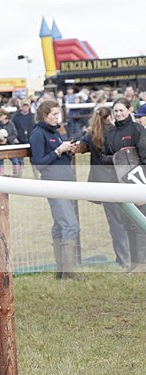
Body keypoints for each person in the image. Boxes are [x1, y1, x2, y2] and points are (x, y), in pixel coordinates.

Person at [29, 99, 81, 280]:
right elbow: (39, 163)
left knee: (61, 225)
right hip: (53, 184)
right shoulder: (38, 134)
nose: (57, 117)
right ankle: (68, 271)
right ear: (44, 115)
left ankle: (62, 271)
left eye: (58, 114)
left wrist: (67, 151)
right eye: (54, 114)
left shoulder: (55, 132)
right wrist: (59, 151)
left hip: (63, 183)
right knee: (70, 224)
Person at [75, 107, 130, 267]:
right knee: (127, 220)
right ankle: (129, 257)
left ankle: (123, 258)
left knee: (115, 223)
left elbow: (80, 144)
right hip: (120, 181)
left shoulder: (91, 135)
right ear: (109, 118)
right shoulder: (116, 132)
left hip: (103, 184)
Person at [104, 97, 146, 269]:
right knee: (128, 224)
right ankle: (134, 262)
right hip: (120, 183)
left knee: (139, 223)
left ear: (129, 110)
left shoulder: (138, 130)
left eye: (121, 110)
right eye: (115, 111)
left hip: (138, 183)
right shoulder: (111, 133)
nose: (118, 113)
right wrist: (117, 158)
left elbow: (144, 157)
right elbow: (104, 155)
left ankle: (143, 262)